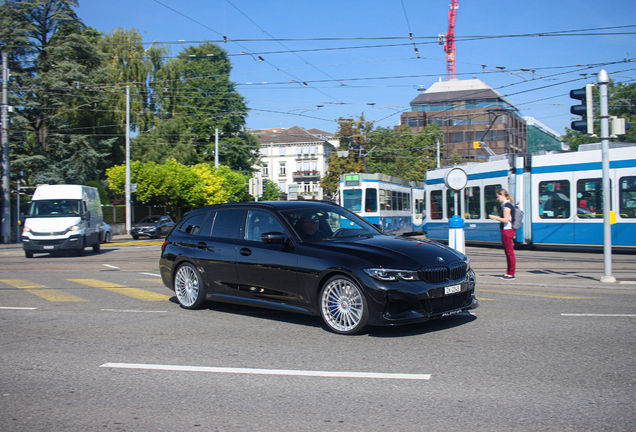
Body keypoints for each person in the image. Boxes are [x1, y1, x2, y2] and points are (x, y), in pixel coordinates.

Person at [488, 188, 516, 280]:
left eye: (498, 196)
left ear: (503, 195)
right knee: (508, 253)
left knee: (509, 253)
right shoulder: (506, 204)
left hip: (507, 231)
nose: (497, 198)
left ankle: (511, 273)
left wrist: (495, 217)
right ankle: (509, 272)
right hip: (507, 231)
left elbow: (506, 220)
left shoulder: (507, 206)